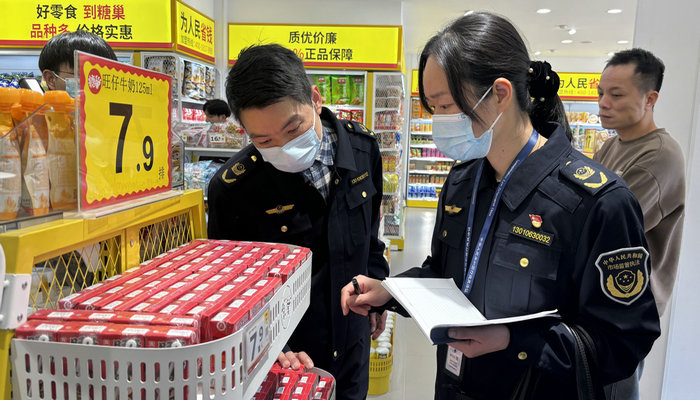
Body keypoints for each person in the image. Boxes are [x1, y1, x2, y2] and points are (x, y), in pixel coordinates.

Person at [341, 12, 660, 400]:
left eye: (446, 106)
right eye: (432, 107)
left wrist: (514, 339)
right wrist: (391, 290)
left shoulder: (597, 202)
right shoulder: (462, 182)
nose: (439, 121)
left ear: (500, 94)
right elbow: (444, 274)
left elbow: (623, 342)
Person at [207, 44, 389, 400]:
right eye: (264, 140)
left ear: (315, 99)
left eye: (293, 129)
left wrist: (378, 286)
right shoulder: (233, 188)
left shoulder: (363, 149)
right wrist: (270, 344)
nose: (284, 147)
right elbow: (230, 289)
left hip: (352, 338)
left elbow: (371, 233)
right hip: (290, 357)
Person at [595, 49, 686, 400]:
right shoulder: (610, 147)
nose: (604, 103)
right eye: (601, 93)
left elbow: (602, 225)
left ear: (650, 99)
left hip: (624, 310)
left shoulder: (659, 156)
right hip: (599, 301)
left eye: (616, 95)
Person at [39, 30, 117, 91]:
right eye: (84, 73)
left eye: (105, 76)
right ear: (51, 79)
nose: (97, 84)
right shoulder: (37, 107)